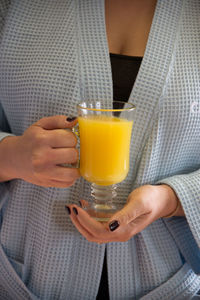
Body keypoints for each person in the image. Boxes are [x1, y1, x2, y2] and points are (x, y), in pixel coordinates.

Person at [0, 0, 199, 299]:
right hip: (22, 280)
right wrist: (11, 156)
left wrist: (171, 200)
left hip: (169, 285)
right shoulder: (14, 6)